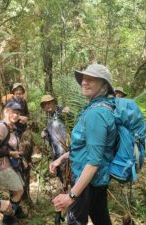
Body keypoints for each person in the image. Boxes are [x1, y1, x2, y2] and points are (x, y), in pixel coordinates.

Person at [50, 64, 118, 225]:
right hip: (95, 181)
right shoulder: (97, 108)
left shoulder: (97, 114)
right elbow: (88, 147)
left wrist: (71, 196)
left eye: (91, 79)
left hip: (87, 182)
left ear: (104, 85)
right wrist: (61, 159)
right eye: (83, 79)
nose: (84, 82)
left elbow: (94, 161)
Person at [0, 101, 26, 225]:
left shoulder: (11, 127)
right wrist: (11, 154)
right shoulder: (2, 127)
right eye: (13, 112)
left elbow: (10, 144)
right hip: (1, 165)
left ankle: (12, 216)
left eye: (18, 113)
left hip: (10, 163)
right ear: (6, 111)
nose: (16, 115)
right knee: (18, 190)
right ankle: (7, 221)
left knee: (18, 189)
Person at [40, 94, 71, 186]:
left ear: (54, 103)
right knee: (61, 175)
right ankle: (66, 193)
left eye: (49, 103)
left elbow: (71, 117)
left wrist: (69, 112)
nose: (47, 105)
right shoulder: (49, 116)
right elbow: (51, 128)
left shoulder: (61, 111)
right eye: (45, 104)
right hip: (56, 151)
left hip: (66, 151)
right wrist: (45, 132)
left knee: (69, 175)